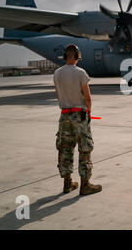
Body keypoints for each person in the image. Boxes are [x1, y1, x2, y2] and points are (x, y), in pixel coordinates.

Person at [53, 44, 102, 195]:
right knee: (85, 148)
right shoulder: (80, 73)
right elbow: (87, 97)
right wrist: (88, 113)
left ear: (65, 56)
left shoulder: (57, 73)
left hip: (64, 115)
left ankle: (67, 183)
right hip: (79, 114)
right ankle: (85, 184)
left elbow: (57, 94)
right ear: (76, 56)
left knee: (65, 149)